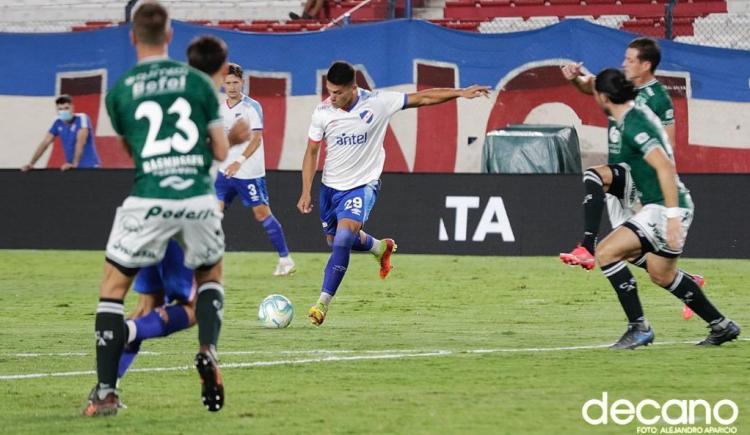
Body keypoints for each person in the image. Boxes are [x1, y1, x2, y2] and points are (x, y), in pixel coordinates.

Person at [83, 2, 232, 416]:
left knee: (113, 291)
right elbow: (219, 149)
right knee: (210, 277)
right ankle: (208, 349)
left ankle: (106, 392)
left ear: (132, 37)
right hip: (198, 198)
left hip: (149, 198)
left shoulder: (120, 91)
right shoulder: (198, 83)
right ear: (170, 36)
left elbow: (134, 149)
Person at [298, 61, 490, 326]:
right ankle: (380, 247)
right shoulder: (322, 112)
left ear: (353, 88)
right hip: (330, 188)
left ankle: (322, 303)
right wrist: (306, 190)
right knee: (334, 241)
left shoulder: (378, 102)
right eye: (329, 91)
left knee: (342, 239)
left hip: (362, 185)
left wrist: (459, 92)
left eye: (338, 93)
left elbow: (422, 98)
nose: (332, 97)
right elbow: (311, 152)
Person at [590, 68, 740, 349]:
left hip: (664, 208)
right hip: (671, 207)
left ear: (604, 97)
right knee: (663, 275)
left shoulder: (632, 125)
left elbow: (664, 166)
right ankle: (721, 325)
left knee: (606, 252)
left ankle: (639, 327)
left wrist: (671, 216)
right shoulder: (629, 114)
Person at [559, 37, 701, 319]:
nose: (624, 63)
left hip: (634, 172)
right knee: (627, 250)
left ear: (646, 65)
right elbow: (590, 86)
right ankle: (687, 282)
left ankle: (587, 245)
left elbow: (667, 147)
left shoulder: (658, 97)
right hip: (622, 171)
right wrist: (575, 78)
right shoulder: (620, 83)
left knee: (593, 176)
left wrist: (653, 176)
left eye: (630, 59)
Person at [215, 63, 296, 276]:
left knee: (261, 214)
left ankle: (285, 260)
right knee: (213, 212)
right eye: (228, 82)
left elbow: (257, 139)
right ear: (223, 84)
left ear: (242, 82)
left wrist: (239, 160)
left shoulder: (252, 107)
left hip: (248, 171)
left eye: (235, 82)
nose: (232, 87)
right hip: (224, 171)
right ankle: (206, 262)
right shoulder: (219, 108)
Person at [21, 94, 100, 171]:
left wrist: (74, 164)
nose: (63, 111)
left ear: (72, 107)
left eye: (66, 108)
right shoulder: (57, 122)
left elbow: (80, 143)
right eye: (60, 109)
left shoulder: (82, 118)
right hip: (71, 168)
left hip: (89, 166)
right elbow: (45, 143)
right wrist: (31, 163)